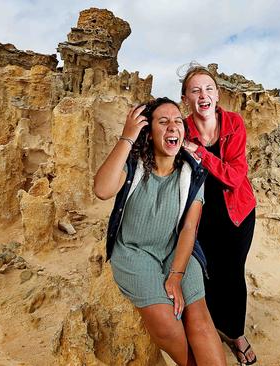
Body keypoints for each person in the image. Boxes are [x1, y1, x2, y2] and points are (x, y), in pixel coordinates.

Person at [93, 97, 226, 366]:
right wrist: (127, 137)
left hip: (175, 249)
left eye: (177, 121)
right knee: (168, 325)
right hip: (134, 251)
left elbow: (189, 228)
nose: (172, 127)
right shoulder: (133, 165)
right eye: (162, 122)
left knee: (199, 321)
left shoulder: (193, 172)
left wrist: (176, 275)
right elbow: (102, 190)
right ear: (149, 131)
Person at [180, 65, 258, 365]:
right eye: (196, 90)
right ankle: (212, 329)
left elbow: (235, 177)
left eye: (209, 89)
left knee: (233, 274)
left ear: (218, 94)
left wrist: (200, 153)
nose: (204, 95)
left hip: (238, 212)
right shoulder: (182, 128)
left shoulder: (234, 123)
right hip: (201, 216)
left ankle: (236, 334)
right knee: (207, 273)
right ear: (186, 97)